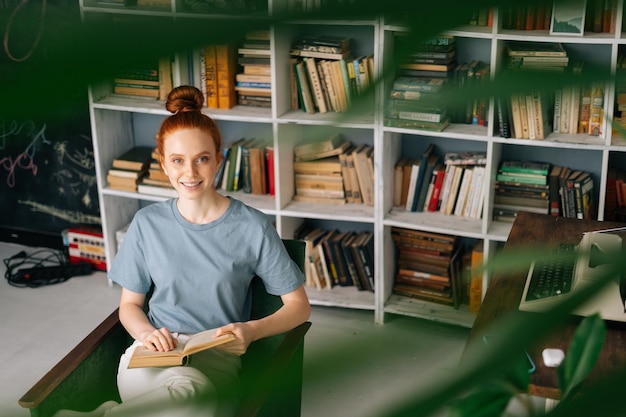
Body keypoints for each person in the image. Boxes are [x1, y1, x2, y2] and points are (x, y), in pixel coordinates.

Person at [53, 85, 310, 417]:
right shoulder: (146, 223)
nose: (189, 173)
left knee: (194, 394)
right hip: (151, 357)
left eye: (202, 159)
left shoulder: (252, 227)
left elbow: (299, 307)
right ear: (163, 163)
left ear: (219, 158)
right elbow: (129, 306)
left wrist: (252, 330)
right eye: (177, 160)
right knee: (191, 397)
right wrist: (147, 333)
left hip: (217, 360)